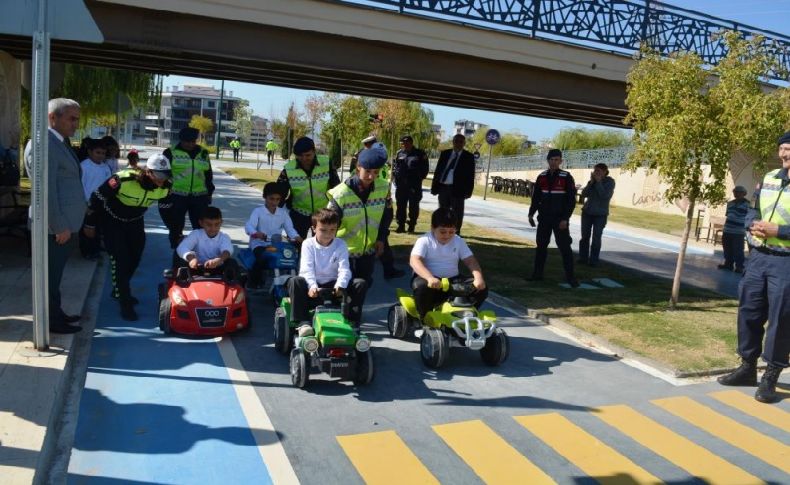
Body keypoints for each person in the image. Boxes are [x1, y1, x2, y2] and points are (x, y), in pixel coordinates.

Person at [717, 132, 790, 404]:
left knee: (780, 320)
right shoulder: (769, 179)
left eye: (789, 149)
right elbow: (752, 211)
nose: (785, 154)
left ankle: (771, 375)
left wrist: (779, 230)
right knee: (748, 311)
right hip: (758, 257)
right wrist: (752, 228)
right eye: (782, 148)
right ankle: (747, 367)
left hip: (786, 262)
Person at [84, 154, 172, 321]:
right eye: (158, 176)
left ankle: (119, 288)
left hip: (135, 222)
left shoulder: (166, 187)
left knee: (135, 258)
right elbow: (96, 198)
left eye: (165, 176)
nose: (161, 181)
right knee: (120, 260)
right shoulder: (123, 179)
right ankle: (125, 301)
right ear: (148, 172)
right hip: (112, 221)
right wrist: (90, 224)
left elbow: (167, 210)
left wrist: (176, 232)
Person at [23, 98, 85, 333]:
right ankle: (51, 323)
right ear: (52, 118)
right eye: (71, 118)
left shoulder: (58, 141)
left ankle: (56, 314)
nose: (76, 124)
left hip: (64, 225)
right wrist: (59, 225)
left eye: (77, 118)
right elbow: (44, 191)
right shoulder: (44, 144)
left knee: (54, 277)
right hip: (53, 228)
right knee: (48, 279)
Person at [287, 208, 368, 336]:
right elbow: (306, 269)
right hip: (313, 288)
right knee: (295, 281)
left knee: (360, 283)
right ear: (314, 228)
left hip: (334, 288)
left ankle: (352, 321)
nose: (328, 234)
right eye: (323, 230)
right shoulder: (308, 244)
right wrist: (312, 287)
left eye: (332, 230)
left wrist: (340, 285)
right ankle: (303, 323)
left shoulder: (340, 244)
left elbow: (344, 269)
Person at [328, 145, 390, 293]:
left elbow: (386, 216)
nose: (371, 176)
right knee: (341, 289)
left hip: (368, 252)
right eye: (367, 171)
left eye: (376, 172)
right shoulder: (341, 193)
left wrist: (381, 238)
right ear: (358, 168)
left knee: (362, 287)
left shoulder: (383, 188)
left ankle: (355, 316)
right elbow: (328, 224)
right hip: (343, 253)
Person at [410, 208, 487, 319]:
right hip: (430, 279)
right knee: (422, 287)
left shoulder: (458, 241)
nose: (447, 235)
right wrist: (430, 277)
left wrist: (478, 278)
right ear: (433, 228)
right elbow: (415, 260)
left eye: (451, 232)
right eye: (442, 232)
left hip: (453, 280)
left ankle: (466, 315)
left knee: (481, 288)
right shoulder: (424, 240)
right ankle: (424, 317)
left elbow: (471, 261)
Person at [527, 149, 579, 287]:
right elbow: (536, 198)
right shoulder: (542, 176)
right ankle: (537, 274)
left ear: (561, 161)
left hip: (559, 219)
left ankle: (570, 277)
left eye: (557, 159)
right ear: (548, 161)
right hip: (544, 218)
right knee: (541, 246)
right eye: (551, 159)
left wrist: (565, 219)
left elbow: (571, 201)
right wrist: (531, 213)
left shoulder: (566, 176)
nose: (554, 162)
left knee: (564, 247)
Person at [158, 127, 214, 249]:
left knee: (201, 227)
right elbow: (163, 174)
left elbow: (208, 174)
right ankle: (177, 252)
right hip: (176, 196)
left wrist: (209, 192)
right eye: (187, 141)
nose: (190, 144)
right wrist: (165, 192)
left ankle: (200, 251)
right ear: (181, 140)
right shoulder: (170, 153)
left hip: (199, 196)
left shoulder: (203, 153)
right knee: (176, 226)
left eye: (193, 141)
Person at [277, 136, 340, 239]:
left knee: (323, 247)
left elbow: (337, 188)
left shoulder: (326, 163)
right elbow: (279, 193)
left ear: (314, 152)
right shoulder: (288, 169)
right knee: (294, 248)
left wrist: (336, 212)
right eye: (300, 156)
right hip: (298, 214)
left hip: (323, 214)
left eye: (308, 155)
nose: (304, 159)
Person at [244, 182, 302, 288]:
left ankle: (295, 282)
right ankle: (253, 282)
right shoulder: (258, 211)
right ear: (265, 197)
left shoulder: (283, 213)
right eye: (271, 198)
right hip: (260, 244)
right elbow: (249, 226)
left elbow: (290, 229)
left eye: (277, 199)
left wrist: (297, 237)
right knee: (261, 259)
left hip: (277, 245)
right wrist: (256, 233)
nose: (274, 202)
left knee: (293, 257)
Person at [431, 134, 476, 235]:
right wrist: (434, 186)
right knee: (442, 211)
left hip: (457, 189)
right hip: (443, 187)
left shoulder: (468, 157)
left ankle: (456, 233)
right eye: (456, 141)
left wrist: (469, 191)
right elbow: (438, 170)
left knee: (457, 213)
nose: (458, 144)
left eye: (461, 142)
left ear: (464, 144)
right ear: (453, 142)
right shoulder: (445, 153)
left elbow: (470, 175)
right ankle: (441, 230)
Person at [176, 206, 237, 275]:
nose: (213, 228)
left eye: (217, 224)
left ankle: (231, 284)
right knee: (181, 261)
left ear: (221, 223)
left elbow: (227, 251)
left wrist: (219, 260)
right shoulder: (196, 234)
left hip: (217, 268)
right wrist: (191, 259)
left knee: (232, 262)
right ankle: (180, 283)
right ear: (201, 223)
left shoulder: (224, 237)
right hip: (196, 267)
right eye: (209, 224)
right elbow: (182, 247)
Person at [79, 138, 112, 260]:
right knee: (88, 229)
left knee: (98, 228)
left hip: (102, 204)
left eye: (103, 153)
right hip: (88, 204)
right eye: (98, 152)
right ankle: (87, 251)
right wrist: (85, 204)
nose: (100, 156)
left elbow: (109, 186)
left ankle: (96, 248)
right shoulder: (84, 166)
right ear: (90, 152)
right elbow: (81, 186)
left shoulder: (105, 167)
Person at [578, 162, 616, 267]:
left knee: (596, 238)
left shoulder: (610, 182)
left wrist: (599, 182)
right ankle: (583, 258)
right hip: (587, 212)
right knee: (585, 236)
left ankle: (594, 260)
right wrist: (591, 183)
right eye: (595, 171)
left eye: (598, 171)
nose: (596, 173)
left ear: (605, 172)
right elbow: (584, 194)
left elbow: (604, 196)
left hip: (600, 214)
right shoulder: (592, 181)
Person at [392, 135, 429, 233]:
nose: (404, 144)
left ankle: (412, 225)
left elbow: (425, 168)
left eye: (406, 143)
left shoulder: (419, 153)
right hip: (401, 185)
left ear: (411, 143)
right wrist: (395, 177)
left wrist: (419, 178)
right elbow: (395, 167)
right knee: (400, 206)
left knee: (413, 206)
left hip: (414, 185)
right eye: (403, 143)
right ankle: (401, 225)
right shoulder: (399, 153)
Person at [717, 186, 750, 273]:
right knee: (727, 248)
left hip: (738, 231)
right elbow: (728, 215)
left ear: (744, 194)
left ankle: (740, 267)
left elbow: (749, 218)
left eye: (739, 192)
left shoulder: (748, 205)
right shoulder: (730, 203)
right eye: (735, 192)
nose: (736, 193)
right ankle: (728, 264)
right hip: (727, 229)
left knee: (738, 250)